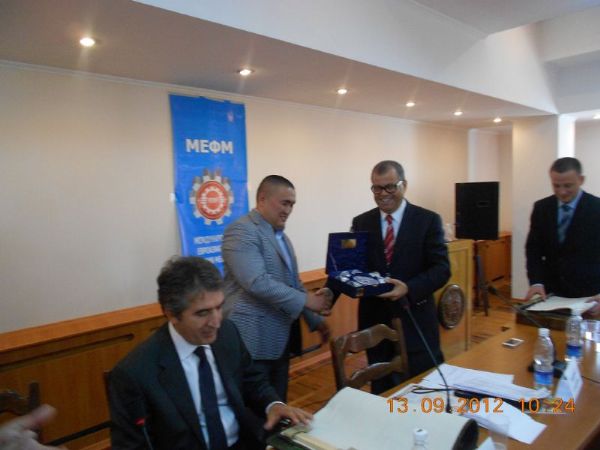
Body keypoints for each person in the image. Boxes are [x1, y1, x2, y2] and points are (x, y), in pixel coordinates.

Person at [108, 256, 313, 450]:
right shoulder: (135, 373)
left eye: (219, 307)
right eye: (202, 313)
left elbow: (252, 381)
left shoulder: (228, 333)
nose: (216, 322)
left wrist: (273, 405)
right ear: (171, 314)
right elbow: (131, 446)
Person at [336, 160, 450, 394]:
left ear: (403, 185)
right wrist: (330, 291)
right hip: (374, 322)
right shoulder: (361, 222)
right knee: (382, 392)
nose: (383, 194)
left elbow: (442, 269)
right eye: (377, 188)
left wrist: (409, 288)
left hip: (415, 320)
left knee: (423, 390)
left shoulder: (428, 220)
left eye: (390, 187)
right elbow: (351, 268)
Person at [221, 175, 332, 401]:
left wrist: (315, 320)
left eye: (292, 204)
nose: (288, 210)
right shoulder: (241, 231)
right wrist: (308, 301)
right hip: (250, 342)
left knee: (278, 405)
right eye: (284, 203)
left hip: (279, 341)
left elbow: (293, 284)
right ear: (262, 199)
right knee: (254, 411)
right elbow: (256, 282)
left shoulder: (283, 238)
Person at [525, 157, 600, 316]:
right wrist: (536, 282)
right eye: (556, 185)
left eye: (568, 185)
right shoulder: (541, 208)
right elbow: (533, 250)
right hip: (551, 294)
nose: (562, 191)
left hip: (590, 296)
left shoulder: (596, 208)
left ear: (581, 180)